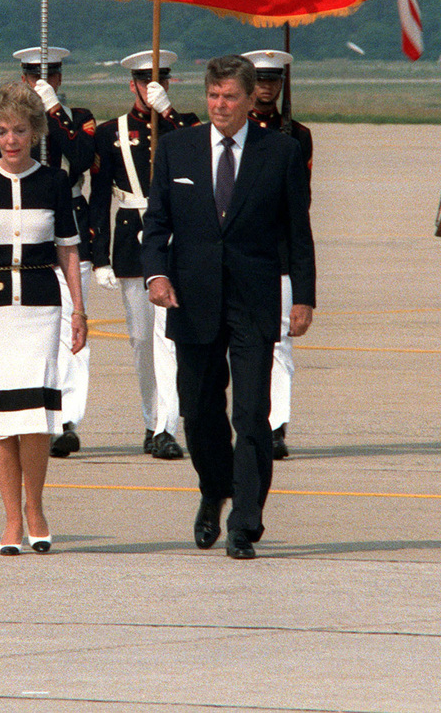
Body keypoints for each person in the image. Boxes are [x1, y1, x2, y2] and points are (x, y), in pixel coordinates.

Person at [143, 55, 314, 561]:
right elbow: (157, 223)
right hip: (192, 299)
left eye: (230, 97)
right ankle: (214, 487)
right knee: (197, 412)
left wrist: (303, 296)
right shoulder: (177, 149)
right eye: (213, 96)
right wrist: (155, 275)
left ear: (248, 99)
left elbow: (298, 233)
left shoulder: (279, 152)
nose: (220, 105)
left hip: (254, 300)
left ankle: (245, 521)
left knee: (251, 414)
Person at [0, 81, 87, 554]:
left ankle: (36, 508)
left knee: (36, 415)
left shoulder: (53, 181)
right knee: (4, 418)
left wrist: (79, 312)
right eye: (3, 131)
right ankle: (11, 520)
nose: (12, 140)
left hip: (41, 308)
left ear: (35, 131)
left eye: (20, 131)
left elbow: (68, 251)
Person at [88, 49, 197, 462]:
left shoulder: (181, 127)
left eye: (160, 82)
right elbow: (99, 199)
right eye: (144, 83)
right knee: (140, 340)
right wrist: (99, 256)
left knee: (168, 337)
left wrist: (168, 112)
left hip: (174, 239)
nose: (152, 89)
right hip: (132, 240)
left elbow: (199, 150)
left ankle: (167, 426)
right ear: (131, 84)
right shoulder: (110, 132)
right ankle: (152, 420)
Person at [14, 46, 96, 457]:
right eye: (31, 76)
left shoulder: (77, 117)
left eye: (45, 76)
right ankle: (36, 413)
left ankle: (69, 419)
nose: (38, 82)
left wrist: (54, 112)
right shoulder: (13, 123)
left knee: (71, 326)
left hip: (68, 231)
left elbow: (82, 157)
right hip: (26, 234)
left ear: (58, 79)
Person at [242, 48, 312, 460]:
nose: (267, 87)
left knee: (281, 344)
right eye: (261, 81)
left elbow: (300, 203)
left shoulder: (297, 136)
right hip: (242, 251)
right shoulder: (239, 130)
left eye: (273, 81)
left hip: (279, 251)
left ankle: (276, 426)